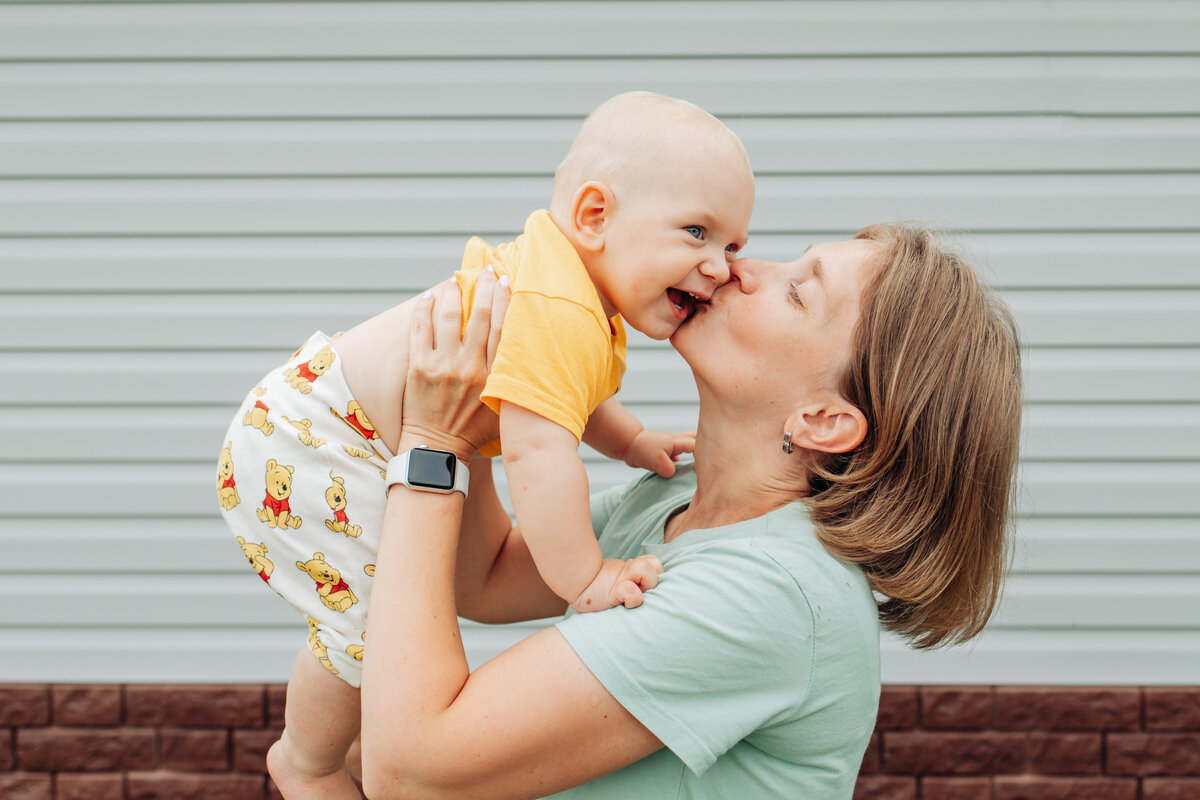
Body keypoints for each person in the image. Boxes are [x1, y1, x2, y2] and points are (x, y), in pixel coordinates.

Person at [358, 223, 1024, 799]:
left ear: (822, 420)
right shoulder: (679, 497)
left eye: (797, 290)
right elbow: (486, 578)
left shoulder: (772, 592)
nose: (739, 268)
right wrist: (478, 396)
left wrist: (434, 445)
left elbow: (412, 769)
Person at [216, 91, 754, 799]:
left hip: (316, 423)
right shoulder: (561, 309)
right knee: (371, 627)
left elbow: (571, 395)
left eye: (734, 245)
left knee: (382, 616)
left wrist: (627, 442)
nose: (719, 265)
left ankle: (323, 755)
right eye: (696, 232)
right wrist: (584, 578)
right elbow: (540, 456)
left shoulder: (567, 295)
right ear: (595, 216)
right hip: (313, 443)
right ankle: (307, 764)